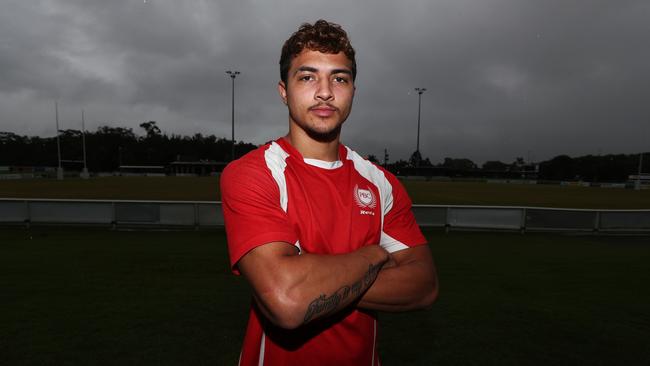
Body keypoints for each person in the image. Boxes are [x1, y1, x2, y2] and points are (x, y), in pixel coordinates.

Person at [221, 19, 438, 366]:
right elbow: (288, 300)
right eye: (307, 77)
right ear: (284, 91)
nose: (325, 91)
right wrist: (373, 257)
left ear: (353, 90)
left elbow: (424, 285)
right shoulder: (254, 173)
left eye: (340, 78)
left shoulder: (380, 182)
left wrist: (315, 283)